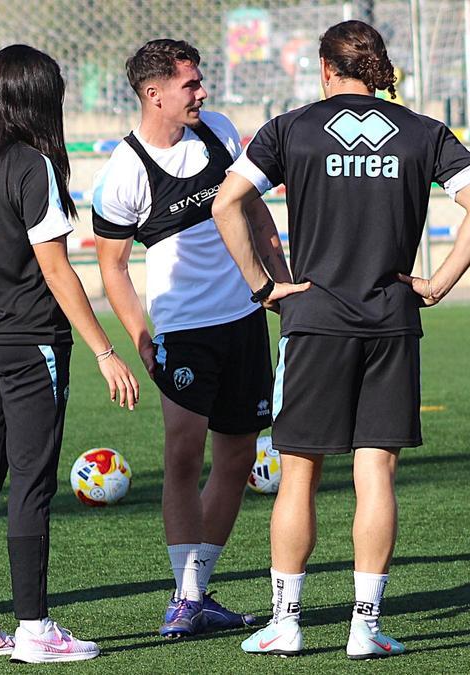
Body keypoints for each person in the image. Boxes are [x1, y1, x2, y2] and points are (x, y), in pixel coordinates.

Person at [212, 20, 470, 659]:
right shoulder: (425, 132)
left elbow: (226, 204)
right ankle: (364, 627)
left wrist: (264, 288)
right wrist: (437, 283)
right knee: (376, 471)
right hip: (391, 321)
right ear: (379, 69)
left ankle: (286, 621)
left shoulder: (291, 128)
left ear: (325, 69)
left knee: (299, 473)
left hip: (314, 322)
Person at [0, 44, 139, 664]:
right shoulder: (31, 167)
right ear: (38, 99)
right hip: (28, 343)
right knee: (29, 482)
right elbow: (57, 270)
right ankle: (34, 629)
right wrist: (105, 351)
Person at [90, 39, 301, 639]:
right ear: (153, 94)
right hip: (183, 332)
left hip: (244, 320)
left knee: (237, 457)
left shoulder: (220, 131)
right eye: (190, 84)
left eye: (200, 82)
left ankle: (196, 592)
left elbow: (255, 215)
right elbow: (112, 267)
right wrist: (139, 334)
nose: (202, 92)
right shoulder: (124, 171)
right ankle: (184, 596)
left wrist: (278, 287)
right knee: (183, 455)